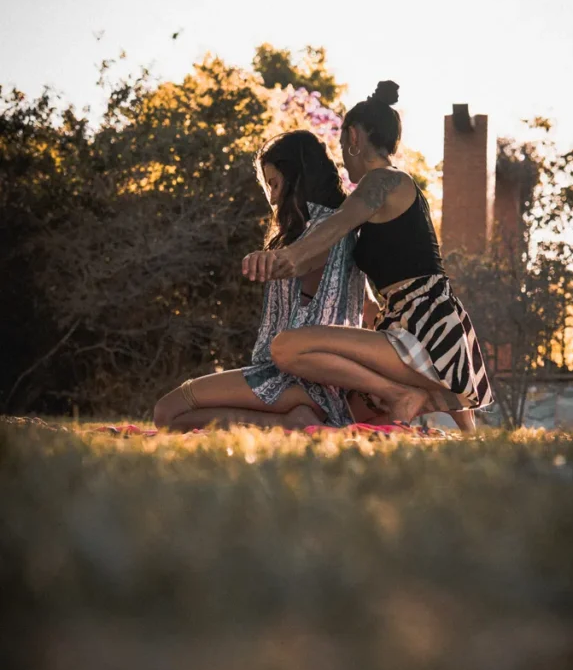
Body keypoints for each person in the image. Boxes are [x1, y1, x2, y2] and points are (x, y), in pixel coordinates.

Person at [242, 82, 493, 432]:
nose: (343, 158)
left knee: (285, 348)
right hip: (424, 327)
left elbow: (339, 223)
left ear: (354, 137)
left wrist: (288, 255)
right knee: (348, 417)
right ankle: (457, 427)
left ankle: (402, 396)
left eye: (342, 145)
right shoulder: (391, 192)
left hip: (423, 330)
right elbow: (383, 293)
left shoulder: (384, 181)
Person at [154, 130, 367, 431]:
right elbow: (367, 307)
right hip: (313, 389)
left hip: (293, 381)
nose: (273, 197)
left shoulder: (320, 234)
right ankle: (289, 422)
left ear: (298, 177)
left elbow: (298, 261)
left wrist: (270, 259)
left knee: (166, 411)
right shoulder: (340, 231)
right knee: (174, 418)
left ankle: (292, 421)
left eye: (275, 184)